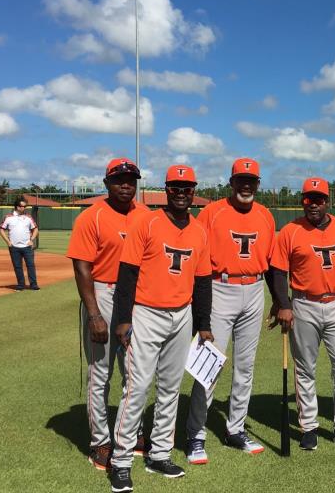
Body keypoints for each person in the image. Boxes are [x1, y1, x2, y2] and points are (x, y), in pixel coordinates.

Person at [108, 165, 212, 493]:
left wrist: (204, 324)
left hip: (181, 315)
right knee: (136, 388)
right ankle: (121, 460)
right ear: (166, 189)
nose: (182, 192)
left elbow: (203, 280)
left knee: (170, 388)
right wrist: (124, 318)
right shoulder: (146, 221)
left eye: (187, 187)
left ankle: (160, 453)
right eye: (176, 187)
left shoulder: (199, 230)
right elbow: (127, 274)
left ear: (194, 190)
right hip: (146, 313)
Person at [268, 177, 335, 452]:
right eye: (308, 199)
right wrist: (284, 304)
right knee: (305, 369)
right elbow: (278, 271)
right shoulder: (290, 231)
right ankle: (309, 427)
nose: (313, 204)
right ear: (303, 201)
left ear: (328, 201)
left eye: (319, 199)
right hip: (303, 305)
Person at [185, 157, 275, 463]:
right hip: (219, 287)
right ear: (231, 182)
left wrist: (280, 300)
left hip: (254, 289)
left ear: (257, 184)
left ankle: (235, 428)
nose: (246, 185)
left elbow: (273, 262)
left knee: (245, 367)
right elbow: (195, 256)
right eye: (241, 180)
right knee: (209, 366)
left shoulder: (265, 215)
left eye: (252, 181)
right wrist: (200, 306)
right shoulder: (211, 212)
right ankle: (195, 433)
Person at [66, 157, 150, 470]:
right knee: (100, 373)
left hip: (137, 296)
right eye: (119, 180)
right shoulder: (92, 217)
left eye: (131, 179)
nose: (126, 185)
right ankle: (100, 441)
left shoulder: (145, 215)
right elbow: (81, 267)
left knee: (134, 370)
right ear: (106, 184)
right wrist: (94, 314)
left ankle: (132, 433)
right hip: (103, 291)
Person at [0, 196, 39, 291]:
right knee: (17, 267)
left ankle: (33, 285)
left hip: (27, 246)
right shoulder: (8, 217)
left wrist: (32, 240)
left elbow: (35, 229)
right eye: (22, 206)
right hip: (14, 247)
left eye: (25, 206)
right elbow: (1, 229)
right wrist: (8, 242)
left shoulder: (28, 217)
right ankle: (21, 285)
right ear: (17, 207)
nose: (24, 208)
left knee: (30, 265)